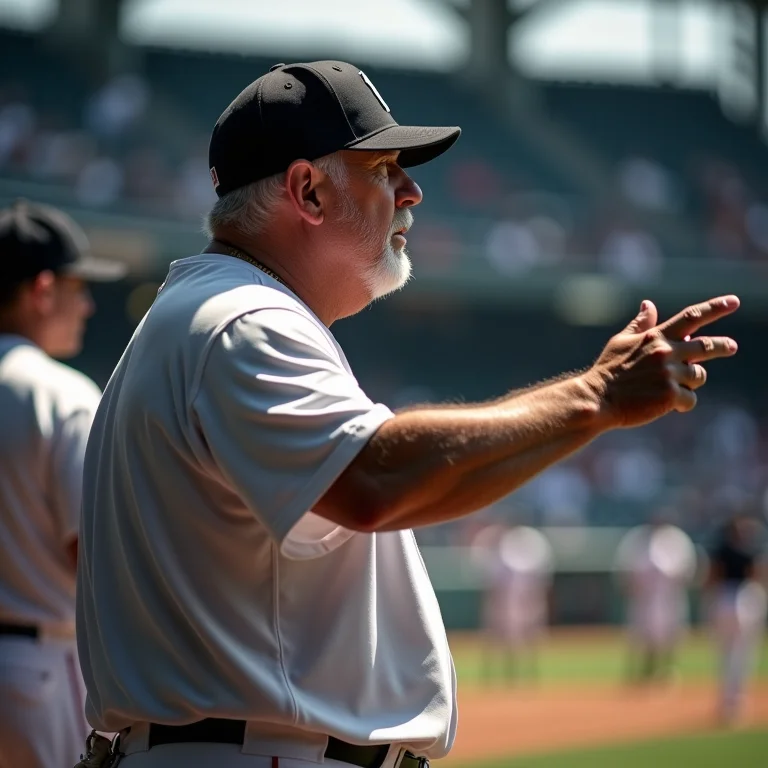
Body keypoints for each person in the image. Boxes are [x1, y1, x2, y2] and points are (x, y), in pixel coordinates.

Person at [75, 59, 740, 768]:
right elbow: (374, 479)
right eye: (383, 168)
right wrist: (594, 396)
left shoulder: (202, 316)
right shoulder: (243, 320)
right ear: (308, 192)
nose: (411, 190)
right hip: (262, 751)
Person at [0, 199, 125, 768]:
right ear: (43, 289)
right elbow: (93, 559)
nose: (88, 304)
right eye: (78, 287)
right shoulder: (59, 393)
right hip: (37, 674)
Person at [614, 513, 697, 684]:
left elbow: (688, 571)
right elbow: (625, 570)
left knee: (672, 633)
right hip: (643, 597)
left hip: (670, 597)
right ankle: (644, 671)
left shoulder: (677, 538)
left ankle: (667, 670)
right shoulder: (637, 538)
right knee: (640, 635)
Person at [706, 514, 767, 724]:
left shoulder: (720, 550)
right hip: (742, 597)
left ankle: (727, 701)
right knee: (741, 653)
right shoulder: (748, 550)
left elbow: (711, 578)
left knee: (726, 653)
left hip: (723, 597)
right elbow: (756, 576)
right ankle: (735, 702)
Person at [476, 522, 554, 684]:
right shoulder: (501, 557)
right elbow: (493, 587)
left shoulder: (525, 556)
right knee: (496, 640)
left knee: (528, 639)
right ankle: (494, 677)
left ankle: (527, 676)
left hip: (523, 604)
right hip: (504, 605)